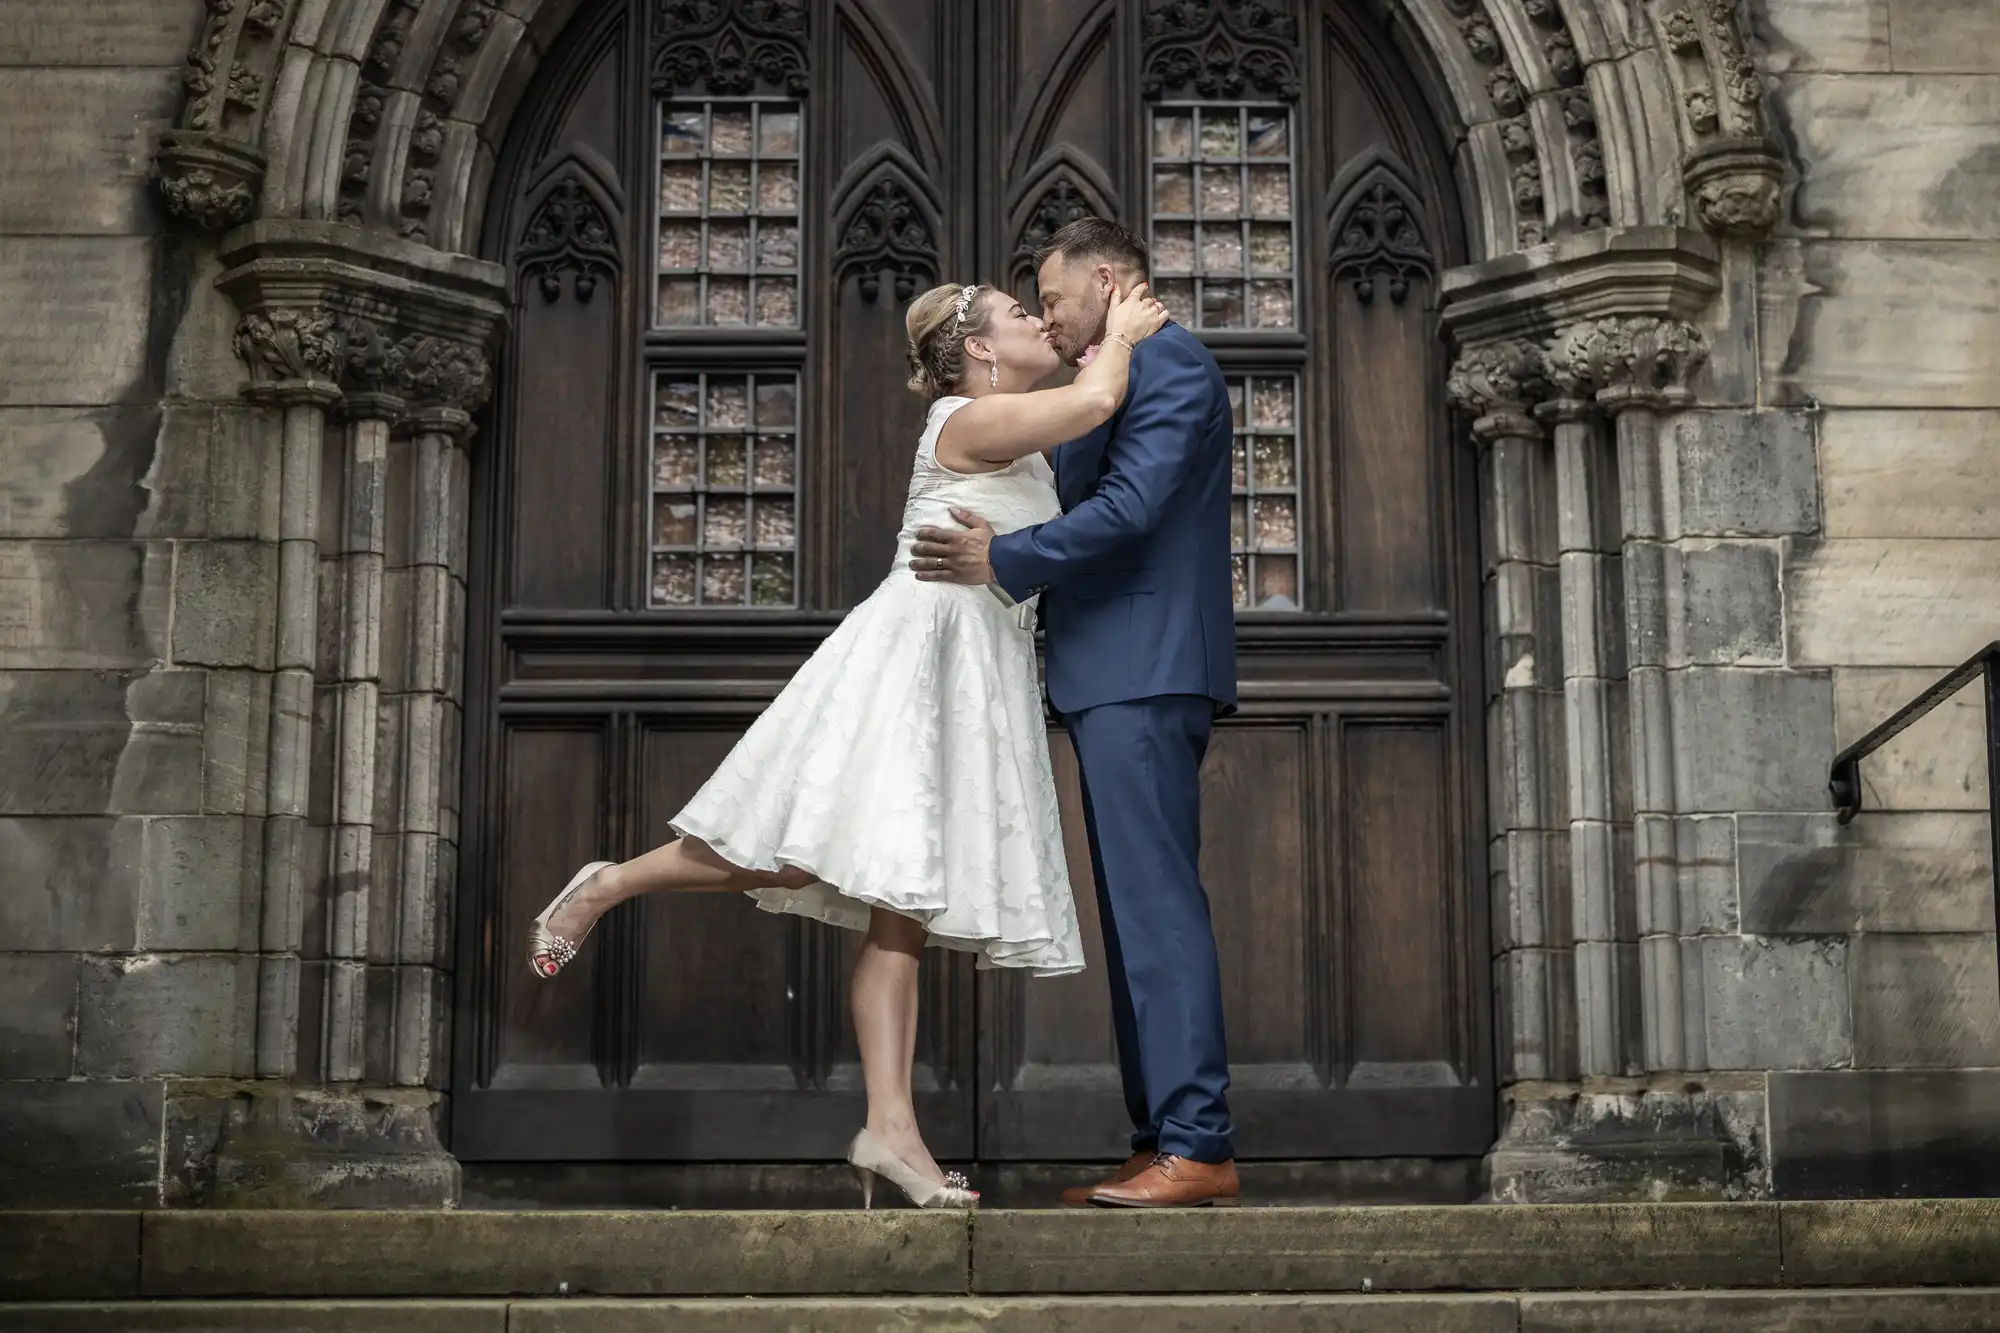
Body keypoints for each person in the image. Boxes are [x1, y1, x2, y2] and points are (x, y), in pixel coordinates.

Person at [523, 275, 1171, 1210]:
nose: (1038, 321)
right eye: (1020, 313)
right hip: (912, 659)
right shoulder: (960, 418)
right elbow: (1099, 398)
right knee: (800, 857)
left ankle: (890, 1130)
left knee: (897, 903)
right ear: (981, 350)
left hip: (971, 671)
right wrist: (1126, 328)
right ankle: (609, 882)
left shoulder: (1021, 432)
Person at [911, 216, 1241, 1208]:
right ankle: (1161, 1137)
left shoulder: (1170, 363)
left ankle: (1198, 1144)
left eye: (1051, 300)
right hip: (1112, 671)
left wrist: (1000, 562)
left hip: (1144, 666)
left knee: (1157, 910)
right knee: (1134, 913)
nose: (1046, 320)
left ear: (1103, 281)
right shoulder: (1115, 368)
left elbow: (1131, 508)